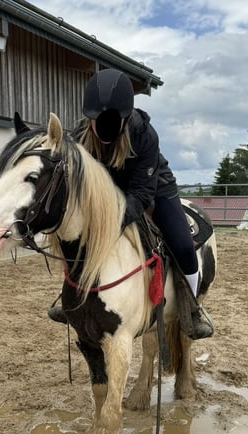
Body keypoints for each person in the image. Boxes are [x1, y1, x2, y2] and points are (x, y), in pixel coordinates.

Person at [48, 68, 213, 340]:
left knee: (183, 245)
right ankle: (70, 298)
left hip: (153, 188)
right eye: (94, 120)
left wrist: (109, 220)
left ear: (124, 119)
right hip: (109, 193)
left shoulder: (145, 135)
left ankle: (192, 308)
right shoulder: (79, 136)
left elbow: (142, 194)